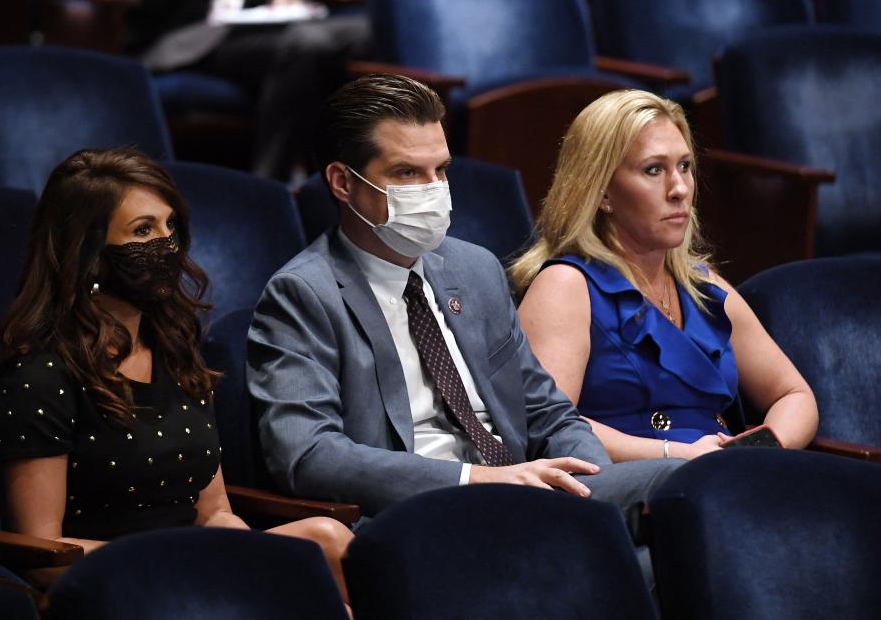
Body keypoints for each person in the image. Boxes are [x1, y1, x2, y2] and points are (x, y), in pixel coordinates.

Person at [246, 74, 682, 523]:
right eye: (407, 173)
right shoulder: (303, 295)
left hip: (528, 500)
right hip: (423, 515)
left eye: (441, 170)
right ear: (342, 182)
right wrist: (474, 480)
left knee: (693, 487)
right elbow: (308, 454)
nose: (433, 188)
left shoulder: (475, 270)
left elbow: (549, 412)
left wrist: (591, 489)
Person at [0, 147, 352, 594]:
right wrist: (188, 564)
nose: (167, 245)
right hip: (115, 583)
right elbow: (41, 552)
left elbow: (214, 511)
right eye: (143, 230)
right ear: (88, 252)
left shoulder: (175, 348)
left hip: (195, 565)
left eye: (171, 226)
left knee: (326, 538)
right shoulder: (41, 373)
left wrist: (242, 561)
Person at [510, 89, 819, 462]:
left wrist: (759, 454)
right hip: (631, 492)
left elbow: (795, 395)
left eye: (685, 166)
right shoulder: (565, 285)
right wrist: (677, 454)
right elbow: (549, 427)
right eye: (653, 169)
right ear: (602, 191)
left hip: (724, 479)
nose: (679, 189)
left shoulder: (703, 285)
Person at [115, 0, 369, 181]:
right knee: (308, 46)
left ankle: (327, 192)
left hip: (263, 27)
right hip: (192, 35)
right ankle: (270, 185)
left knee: (360, 31)